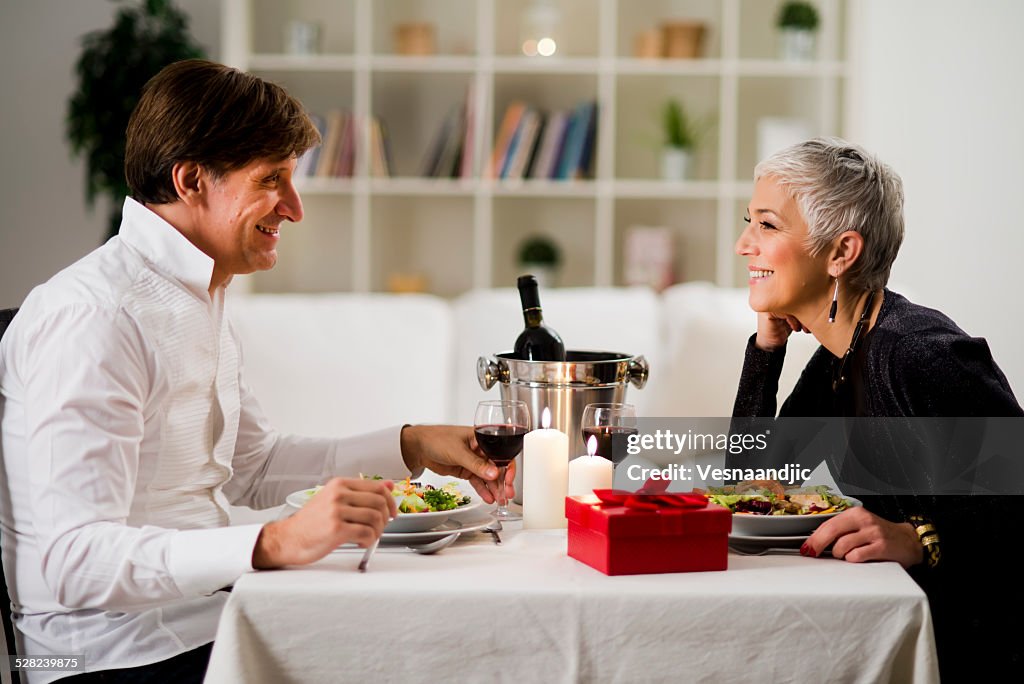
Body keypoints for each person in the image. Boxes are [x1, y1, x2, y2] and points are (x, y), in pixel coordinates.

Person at [0, 59, 511, 683]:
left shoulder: (197, 295)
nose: (293, 209)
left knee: (441, 640)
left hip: (207, 620)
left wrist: (412, 445)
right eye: (272, 180)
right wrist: (273, 543)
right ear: (191, 180)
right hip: (108, 656)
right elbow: (74, 560)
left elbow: (253, 467)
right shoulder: (94, 316)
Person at [731, 136, 1023, 679]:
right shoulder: (840, 354)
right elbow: (750, 483)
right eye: (749, 221)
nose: (743, 244)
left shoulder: (922, 354)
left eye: (767, 225)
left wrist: (920, 537)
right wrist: (766, 351)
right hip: (905, 633)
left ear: (841, 253)